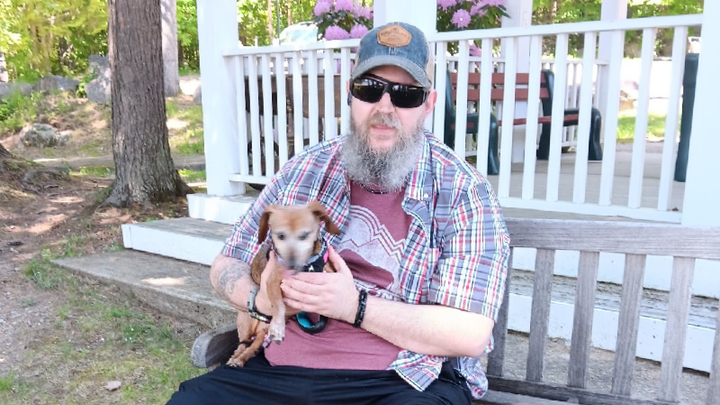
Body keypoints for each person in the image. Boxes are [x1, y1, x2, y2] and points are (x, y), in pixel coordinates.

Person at [167, 21, 509, 405]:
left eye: (406, 95)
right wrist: (261, 302)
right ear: (350, 94)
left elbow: (470, 333)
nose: (385, 107)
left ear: (428, 104)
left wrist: (353, 306)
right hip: (278, 373)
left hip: (401, 381)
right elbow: (225, 264)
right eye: (370, 89)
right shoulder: (305, 170)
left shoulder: (463, 191)